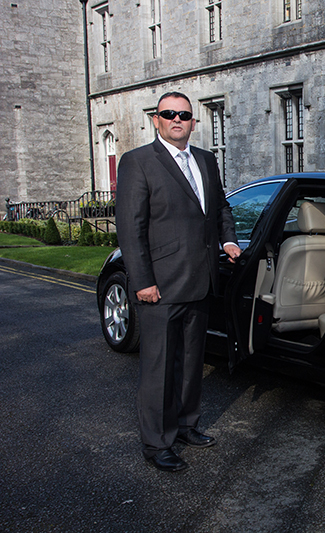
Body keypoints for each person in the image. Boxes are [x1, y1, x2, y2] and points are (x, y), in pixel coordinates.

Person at [116, 91, 241, 472]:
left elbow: (220, 207)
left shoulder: (205, 160)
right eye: (169, 114)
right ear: (156, 119)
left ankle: (186, 425)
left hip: (200, 281)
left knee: (190, 363)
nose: (177, 120)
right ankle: (157, 444)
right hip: (160, 287)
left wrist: (229, 238)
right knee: (158, 370)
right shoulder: (138, 162)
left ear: (193, 121)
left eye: (184, 115)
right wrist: (142, 281)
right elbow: (131, 228)